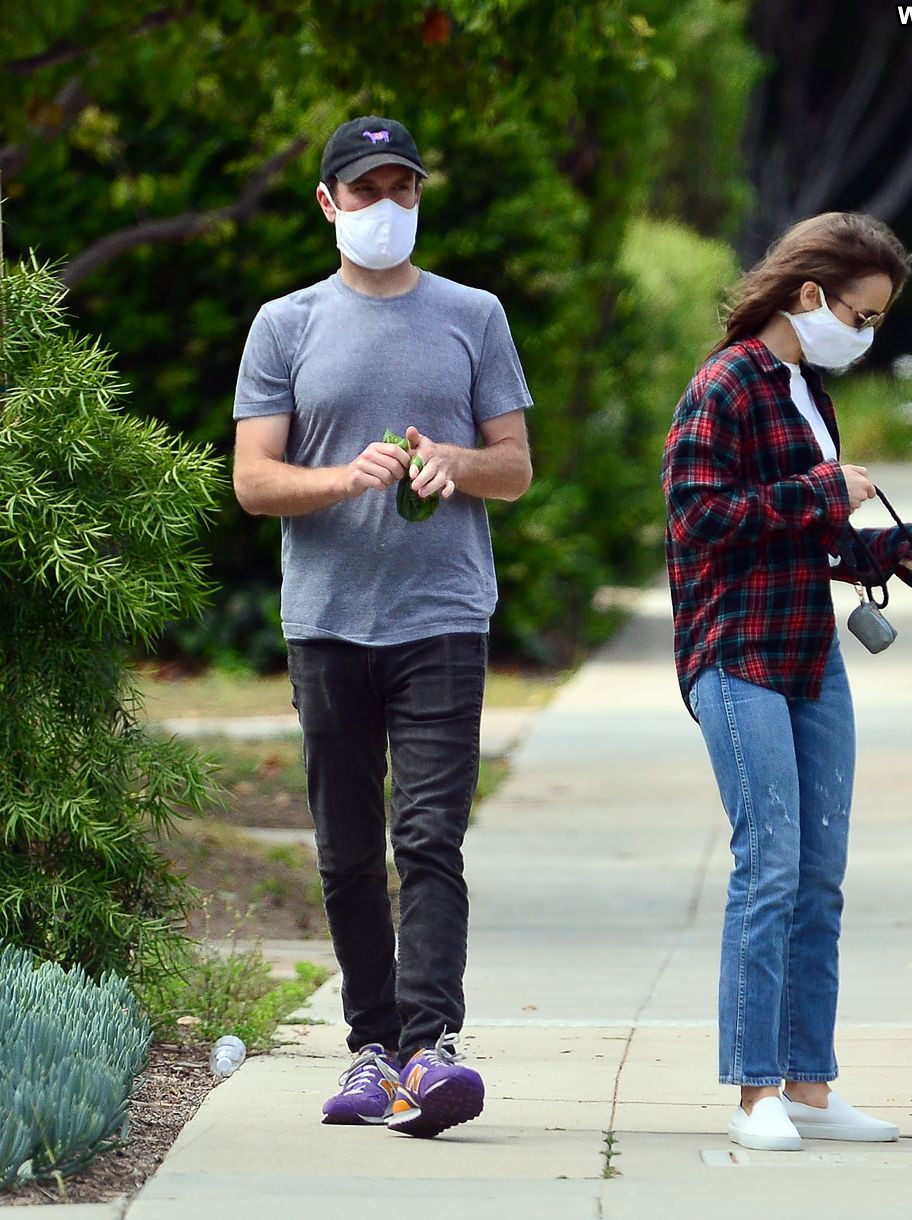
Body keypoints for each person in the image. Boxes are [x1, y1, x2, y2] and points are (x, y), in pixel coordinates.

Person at [232, 115, 533, 1138]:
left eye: (403, 187)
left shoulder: (474, 314)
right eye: (366, 190)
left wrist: (455, 462)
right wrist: (340, 478)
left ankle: (429, 1049)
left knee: (430, 837)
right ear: (328, 202)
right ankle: (371, 1046)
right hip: (327, 623)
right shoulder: (285, 324)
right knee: (349, 850)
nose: (387, 205)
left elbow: (515, 467)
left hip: (442, 615)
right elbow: (252, 480)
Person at [661, 212, 912, 1152]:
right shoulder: (725, 384)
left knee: (820, 876)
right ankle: (754, 1092)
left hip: (808, 655)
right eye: (861, 316)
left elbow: (815, 540)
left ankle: (809, 1086)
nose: (865, 335)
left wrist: (903, 548)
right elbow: (699, 517)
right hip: (734, 652)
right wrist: (825, 492)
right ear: (808, 295)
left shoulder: (806, 392)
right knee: (770, 864)